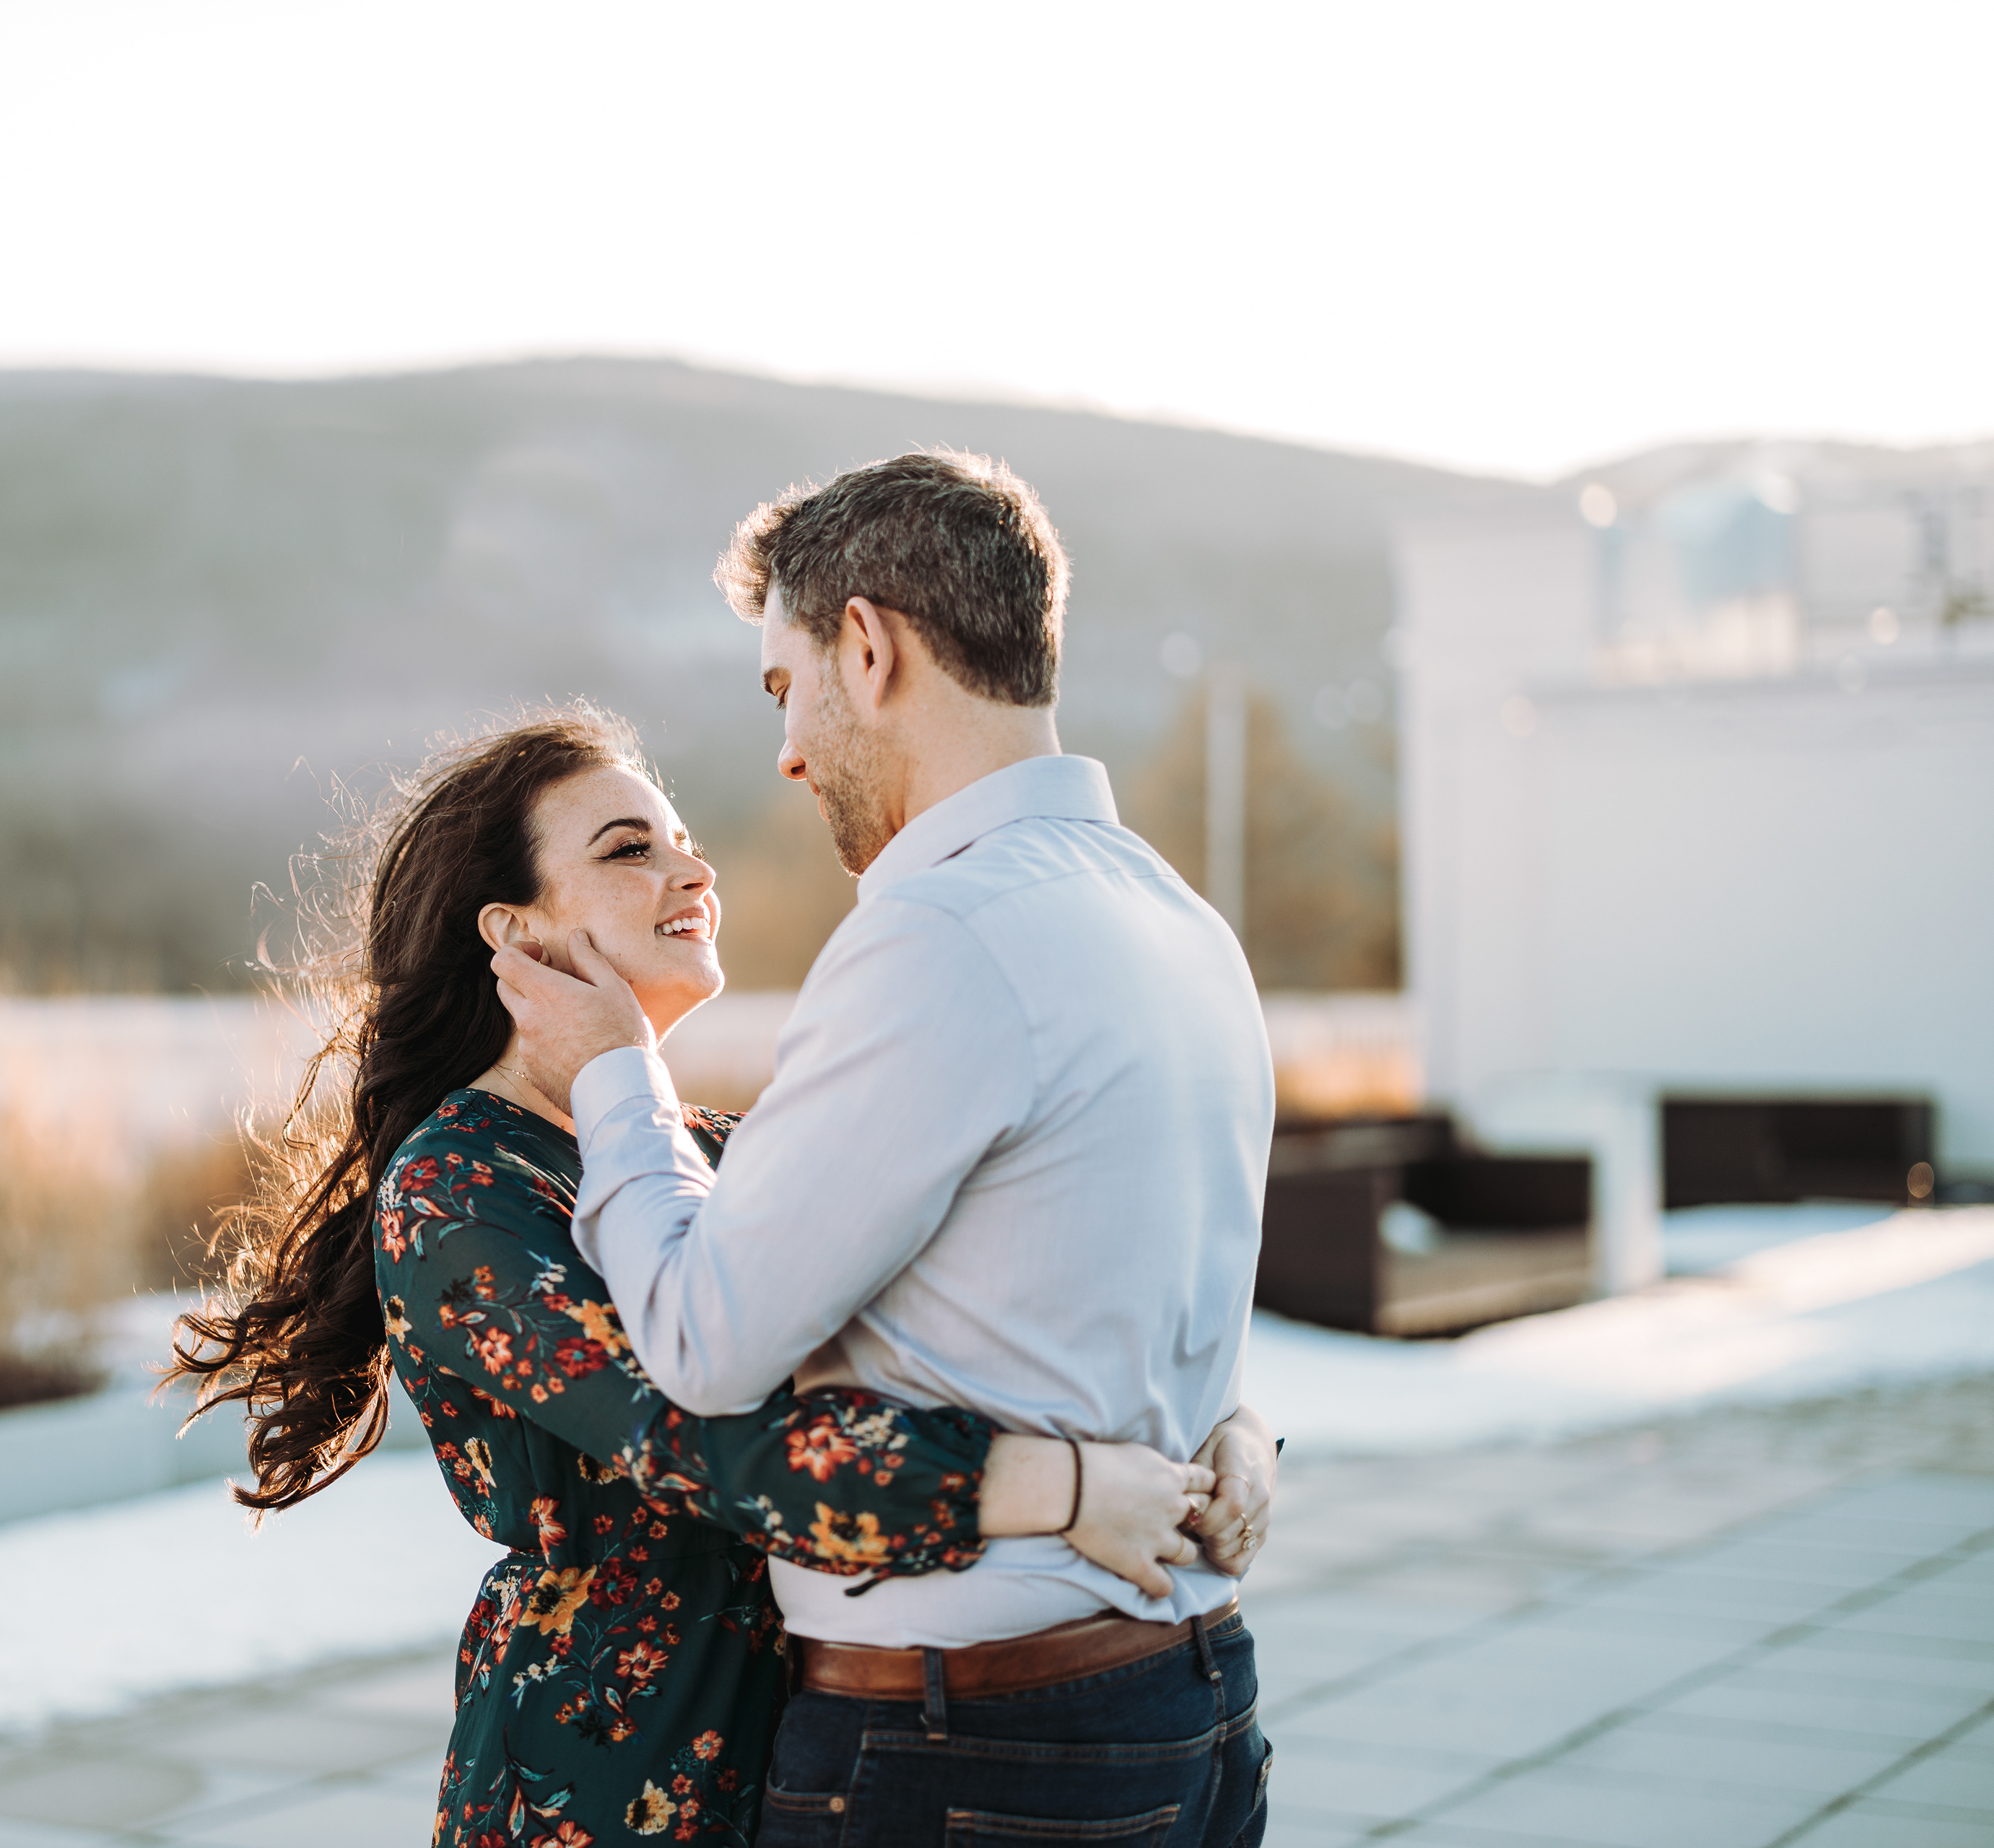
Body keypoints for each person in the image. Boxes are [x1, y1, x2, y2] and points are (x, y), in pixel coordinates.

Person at [169, 707, 1257, 1847]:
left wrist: (1218, 1430)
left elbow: (985, 1309)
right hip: (606, 1774)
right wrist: (1065, 1492)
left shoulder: (716, 1151)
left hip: (820, 1746)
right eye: (629, 850)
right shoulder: (460, 1191)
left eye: (685, 842)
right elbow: (702, 1441)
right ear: (515, 932)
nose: (695, 871)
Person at [493, 453, 1282, 1846]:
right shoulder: (1180, 923)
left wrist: (615, 1073)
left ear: (866, 648)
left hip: (978, 1754)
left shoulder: (941, 933)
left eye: (783, 688)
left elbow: (704, 1341)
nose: (789, 752)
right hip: (1193, 1704)